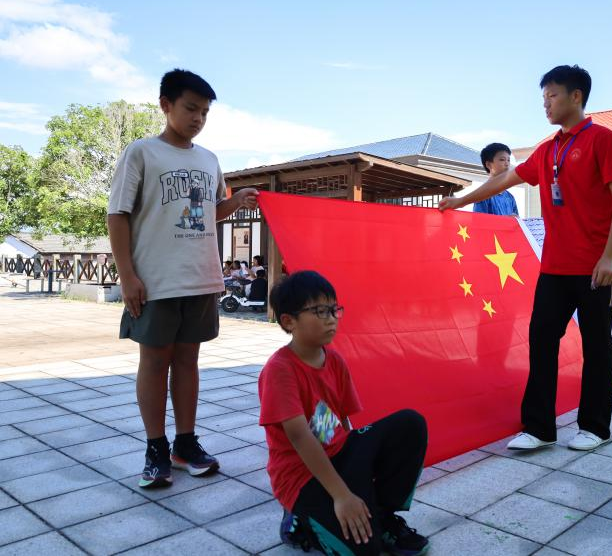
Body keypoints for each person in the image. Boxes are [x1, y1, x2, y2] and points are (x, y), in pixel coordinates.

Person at [439, 65, 612, 452]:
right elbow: (503, 180)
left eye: (552, 96)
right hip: (556, 267)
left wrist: (610, 257)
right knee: (541, 340)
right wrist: (460, 201)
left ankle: (594, 427)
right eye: (543, 97)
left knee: (596, 347)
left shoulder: (603, 140)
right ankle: (539, 428)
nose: (546, 104)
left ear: (576, 96)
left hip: (599, 267)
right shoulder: (548, 150)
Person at [107, 69, 259, 488]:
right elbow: (117, 215)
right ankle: (155, 448)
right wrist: (127, 276)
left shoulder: (209, 160)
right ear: (166, 104)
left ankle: (185, 444)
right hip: (155, 279)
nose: (198, 118)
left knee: (189, 361)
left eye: (205, 112)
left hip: (201, 277)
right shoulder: (141, 153)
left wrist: (235, 202)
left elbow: (206, 213)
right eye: (191, 108)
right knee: (155, 362)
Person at [259, 271, 429, 556]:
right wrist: (342, 495)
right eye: (319, 311)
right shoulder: (280, 370)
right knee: (365, 549)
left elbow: (342, 424)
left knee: (410, 423)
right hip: (301, 476)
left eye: (333, 309)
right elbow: (301, 438)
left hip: (337, 455)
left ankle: (383, 514)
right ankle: (300, 520)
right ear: (289, 321)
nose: (331, 318)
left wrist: (356, 479)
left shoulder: (334, 360)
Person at [473, 143, 519, 216]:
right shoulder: (482, 195)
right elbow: (478, 221)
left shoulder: (510, 197)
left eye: (508, 160)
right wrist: (506, 221)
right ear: (488, 164)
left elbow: (517, 221)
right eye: (502, 160)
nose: (507, 164)